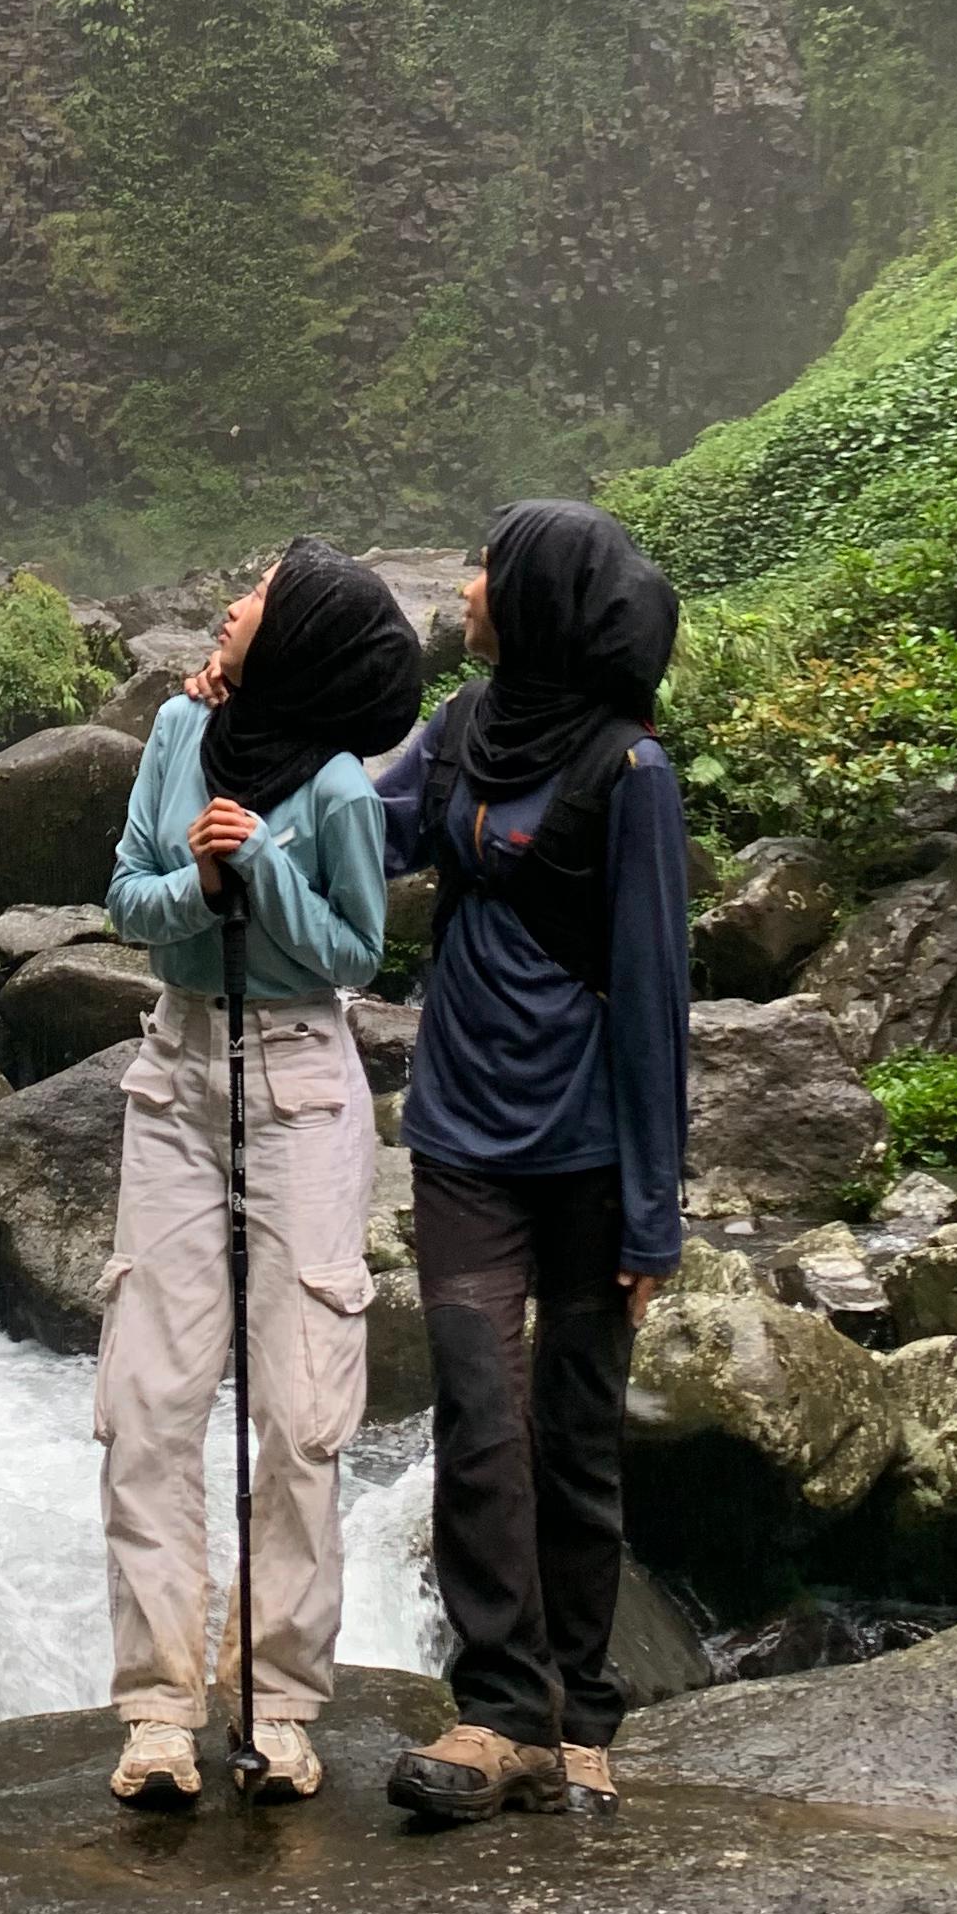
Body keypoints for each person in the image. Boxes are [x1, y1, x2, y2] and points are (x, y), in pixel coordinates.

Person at [369, 500, 690, 1824]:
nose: (465, 586)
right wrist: (241, 781)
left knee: (576, 1427)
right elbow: (365, 832)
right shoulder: (455, 736)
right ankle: (499, 1709)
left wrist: (652, 1218)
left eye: (487, 569)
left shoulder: (630, 775)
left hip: (586, 1152)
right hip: (459, 1138)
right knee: (475, 1410)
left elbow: (656, 992)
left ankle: (586, 1712)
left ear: (544, 598)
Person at [97, 538, 425, 1809]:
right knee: (150, 1395)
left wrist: (268, 870)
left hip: (300, 1086)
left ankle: (281, 1704)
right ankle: (160, 1710)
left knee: (298, 1410)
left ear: (293, 645)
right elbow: (129, 898)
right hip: (176, 1078)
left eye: (260, 599)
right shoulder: (178, 731)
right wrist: (203, 880)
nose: (232, 606)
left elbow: (354, 945)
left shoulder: (341, 788)